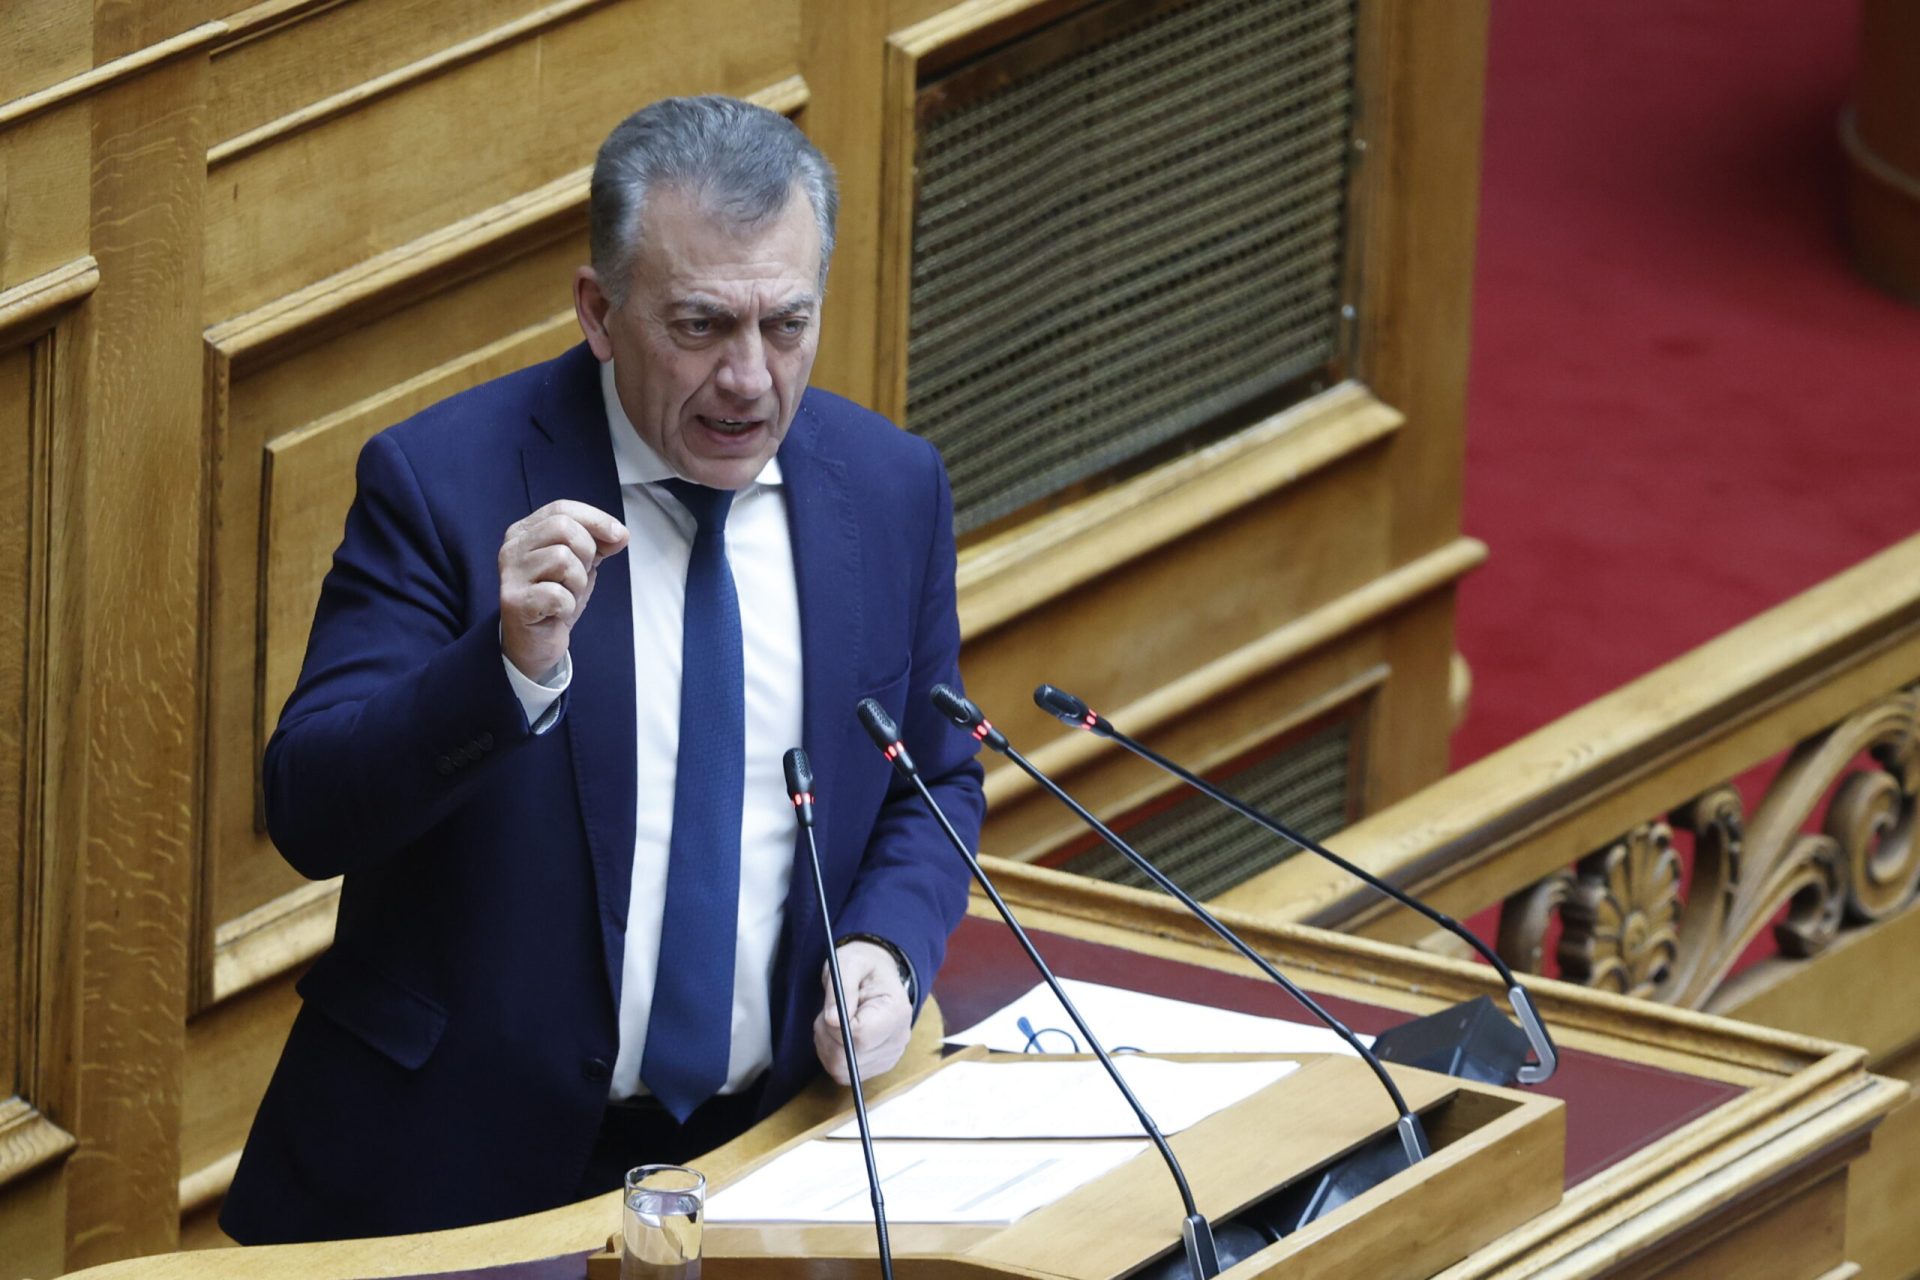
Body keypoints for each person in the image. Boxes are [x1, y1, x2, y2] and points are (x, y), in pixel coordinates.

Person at [221, 95, 982, 1244]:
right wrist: (504, 668)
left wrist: (886, 942)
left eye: (786, 324)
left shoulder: (890, 488)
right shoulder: (443, 482)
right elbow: (311, 809)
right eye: (701, 325)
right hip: (449, 1183)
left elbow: (934, 780)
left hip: (765, 1159)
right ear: (599, 310)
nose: (749, 378)